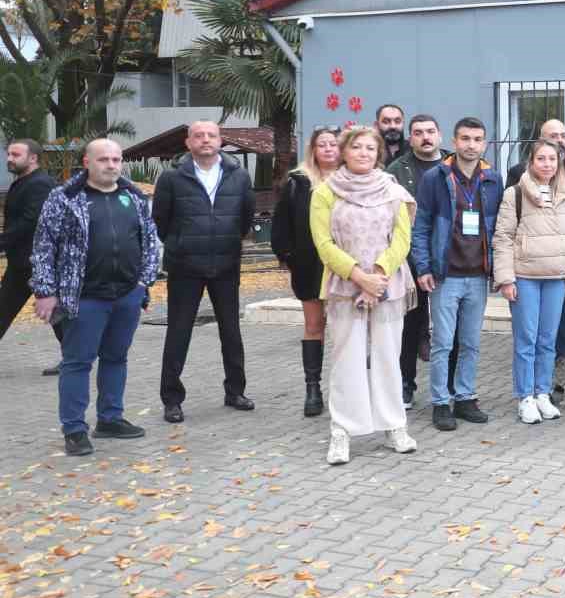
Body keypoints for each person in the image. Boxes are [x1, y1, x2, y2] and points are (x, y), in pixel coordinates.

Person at [31, 139, 160, 457]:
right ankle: (74, 429)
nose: (112, 165)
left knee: (116, 358)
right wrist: (45, 291)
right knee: (77, 363)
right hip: (84, 297)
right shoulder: (64, 198)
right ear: (86, 162)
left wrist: (144, 282)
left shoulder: (134, 196)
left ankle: (110, 419)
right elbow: (43, 247)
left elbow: (151, 241)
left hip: (127, 295)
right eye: (104, 159)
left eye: (116, 159)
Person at [309, 126, 418, 465]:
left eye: (371, 148)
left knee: (388, 355)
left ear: (379, 154)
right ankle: (343, 430)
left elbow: (402, 239)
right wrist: (359, 276)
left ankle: (394, 424)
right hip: (345, 286)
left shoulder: (393, 190)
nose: (363, 153)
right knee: (347, 358)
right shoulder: (326, 192)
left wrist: (379, 276)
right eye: (356, 147)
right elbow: (323, 243)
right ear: (344, 151)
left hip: (388, 285)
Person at [153, 120, 256, 423]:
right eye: (199, 136)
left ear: (221, 141)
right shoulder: (172, 178)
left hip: (226, 264)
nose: (205, 140)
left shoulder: (238, 176)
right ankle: (172, 399)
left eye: (211, 135)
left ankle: (235, 391)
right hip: (185, 266)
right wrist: (180, 243)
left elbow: (246, 217)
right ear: (188, 143)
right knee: (178, 332)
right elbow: (161, 220)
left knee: (231, 332)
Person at [412, 117, 503, 432]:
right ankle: (440, 402)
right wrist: (423, 267)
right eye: (465, 138)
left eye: (477, 139)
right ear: (455, 139)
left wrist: (498, 270)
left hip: (478, 275)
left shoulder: (493, 180)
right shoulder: (435, 178)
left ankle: (465, 397)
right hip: (445, 275)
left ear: (485, 143)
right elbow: (421, 226)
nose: (471, 145)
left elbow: (499, 230)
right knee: (443, 343)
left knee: (471, 342)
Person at [492, 140, 565, 425]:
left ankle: (542, 392)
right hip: (525, 277)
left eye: (552, 159)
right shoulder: (514, 194)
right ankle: (525, 397)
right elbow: (503, 237)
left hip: (556, 277)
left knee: (547, 340)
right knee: (526, 340)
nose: (547, 164)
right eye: (541, 159)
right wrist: (505, 278)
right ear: (531, 162)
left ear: (559, 163)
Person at [272, 127, 340, 417]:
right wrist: (286, 255)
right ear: (313, 150)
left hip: (344, 265)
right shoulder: (298, 182)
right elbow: (282, 222)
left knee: (345, 328)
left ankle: (346, 390)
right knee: (314, 326)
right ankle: (313, 388)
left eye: (333, 144)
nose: (327, 149)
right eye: (321, 145)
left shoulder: (352, 180)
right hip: (309, 264)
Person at [387, 114, 447, 407]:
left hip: (450, 258)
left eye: (430, 131)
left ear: (440, 135)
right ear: (410, 138)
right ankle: (405, 386)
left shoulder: (452, 164)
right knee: (409, 327)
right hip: (409, 260)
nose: (425, 137)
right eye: (418, 132)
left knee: (450, 329)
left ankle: (449, 387)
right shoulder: (397, 170)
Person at [1, 139, 63, 370]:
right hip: (23, 261)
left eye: (16, 154)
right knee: (5, 307)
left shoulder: (40, 184)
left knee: (56, 314)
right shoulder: (24, 182)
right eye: (9, 154)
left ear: (33, 158)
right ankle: (75, 356)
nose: (10, 158)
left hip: (36, 261)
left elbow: (31, 222)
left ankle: (75, 358)